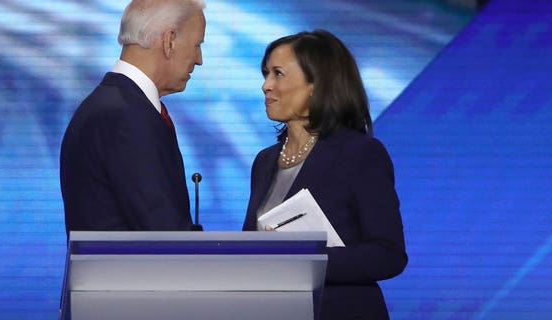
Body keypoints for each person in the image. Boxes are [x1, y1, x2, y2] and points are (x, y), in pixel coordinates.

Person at [242, 30, 408, 319]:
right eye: (266, 73)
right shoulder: (265, 161)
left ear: (316, 85)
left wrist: (304, 258)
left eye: (278, 74)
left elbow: (388, 254)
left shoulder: (359, 154)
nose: (266, 85)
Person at [60, 0, 206, 234]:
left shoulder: (108, 104)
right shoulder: (126, 117)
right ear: (169, 41)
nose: (199, 59)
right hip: (134, 271)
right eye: (197, 45)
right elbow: (165, 235)